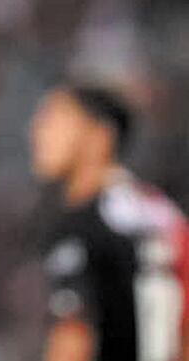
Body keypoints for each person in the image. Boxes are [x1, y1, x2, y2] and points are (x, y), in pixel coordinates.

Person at [30, 83, 189, 361]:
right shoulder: (157, 211)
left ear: (100, 136)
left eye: (54, 119)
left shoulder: (88, 223)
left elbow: (73, 336)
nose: (37, 133)